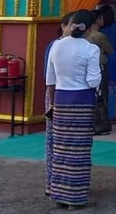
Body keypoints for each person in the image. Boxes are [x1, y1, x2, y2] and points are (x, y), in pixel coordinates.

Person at [45, 10, 102, 210]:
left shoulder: (56, 46)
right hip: (83, 101)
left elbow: (50, 79)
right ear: (90, 27)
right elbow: (93, 80)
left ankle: (59, 194)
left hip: (60, 99)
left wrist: (51, 104)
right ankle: (76, 197)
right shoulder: (91, 49)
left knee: (60, 148)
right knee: (79, 151)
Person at [44, 13, 74, 198]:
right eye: (72, 25)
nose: (74, 29)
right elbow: (49, 79)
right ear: (63, 26)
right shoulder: (55, 46)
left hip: (67, 97)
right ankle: (52, 182)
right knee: (54, 142)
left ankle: (65, 183)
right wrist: (52, 102)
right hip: (55, 96)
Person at [87, 11, 114, 136]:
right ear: (98, 20)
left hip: (87, 67)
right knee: (102, 94)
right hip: (100, 65)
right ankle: (101, 122)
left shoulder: (85, 36)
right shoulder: (99, 36)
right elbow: (109, 49)